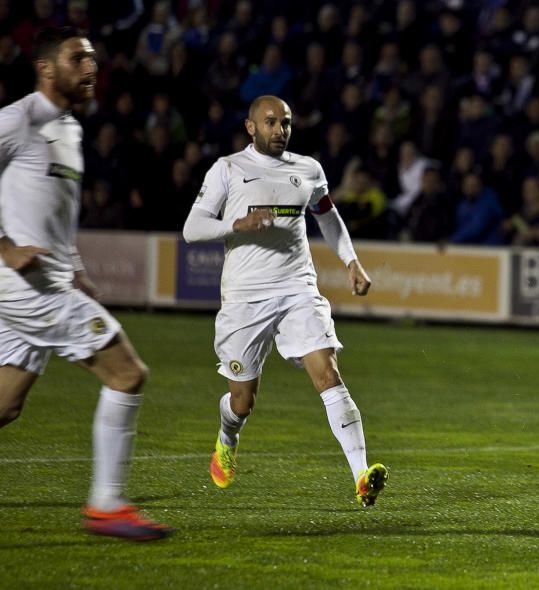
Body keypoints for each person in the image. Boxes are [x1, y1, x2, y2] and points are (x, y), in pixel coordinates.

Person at [0, 27, 172, 541]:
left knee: (5, 405)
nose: (91, 66)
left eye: (94, 58)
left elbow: (58, 214)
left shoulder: (70, 130)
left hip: (48, 282)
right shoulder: (18, 120)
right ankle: (107, 505)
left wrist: (75, 269)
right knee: (127, 373)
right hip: (26, 287)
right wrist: (5, 248)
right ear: (46, 68)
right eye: (78, 58)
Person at [181, 95, 388, 508]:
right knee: (242, 401)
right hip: (244, 297)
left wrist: (351, 261)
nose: (280, 130)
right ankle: (227, 436)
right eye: (271, 122)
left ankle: (361, 476)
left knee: (328, 373)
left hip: (297, 288)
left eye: (286, 123)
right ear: (251, 127)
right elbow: (192, 228)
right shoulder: (228, 169)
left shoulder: (308, 169)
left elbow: (327, 216)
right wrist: (235, 223)